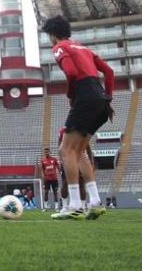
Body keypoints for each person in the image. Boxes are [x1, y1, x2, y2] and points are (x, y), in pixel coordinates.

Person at [42, 16, 113, 221]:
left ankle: (74, 206)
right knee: (79, 151)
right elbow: (108, 72)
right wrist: (108, 98)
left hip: (85, 96)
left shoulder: (59, 47)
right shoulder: (83, 48)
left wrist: (71, 95)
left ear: (52, 34)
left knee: (65, 150)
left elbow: (72, 72)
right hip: (100, 99)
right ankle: (95, 202)